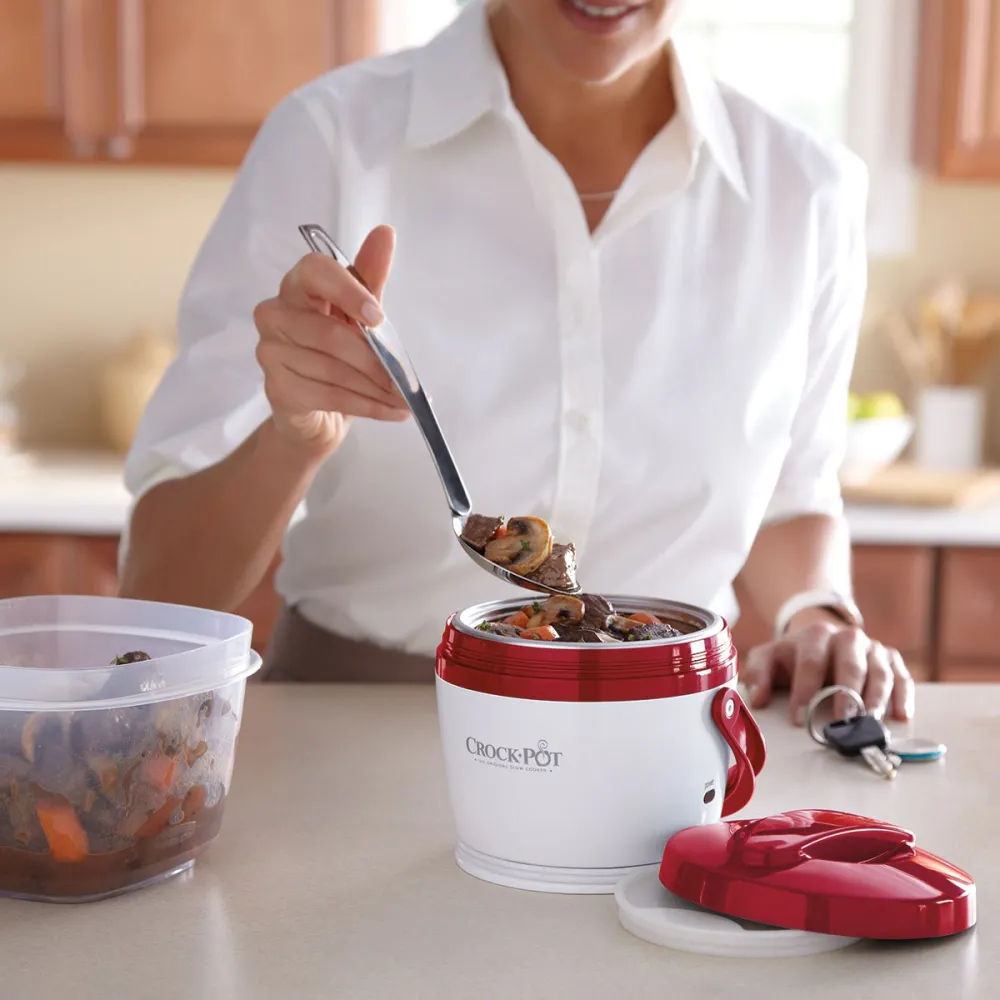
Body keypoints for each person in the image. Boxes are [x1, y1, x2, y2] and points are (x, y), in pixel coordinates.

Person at [118, 0, 914, 725]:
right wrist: (290, 438)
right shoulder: (331, 138)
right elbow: (159, 599)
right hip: (353, 734)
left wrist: (818, 620)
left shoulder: (808, 190)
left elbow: (789, 498)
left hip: (671, 741)